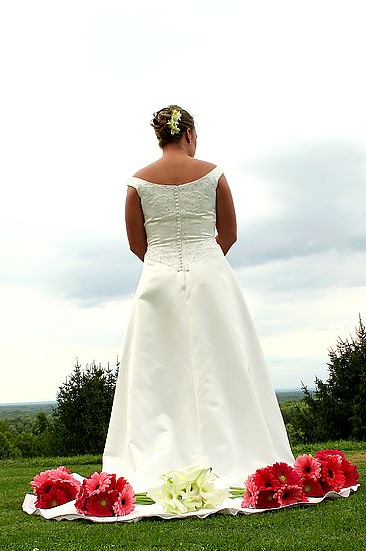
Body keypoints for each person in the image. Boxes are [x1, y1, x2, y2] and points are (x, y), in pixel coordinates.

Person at [102, 105, 295, 494]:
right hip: (210, 277)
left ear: (161, 136)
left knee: (157, 369)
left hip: (157, 277)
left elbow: (136, 244)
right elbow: (230, 233)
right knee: (223, 363)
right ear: (189, 134)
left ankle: (160, 452)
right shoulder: (214, 174)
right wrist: (203, 260)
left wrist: (164, 262)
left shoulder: (136, 183)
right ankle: (232, 447)